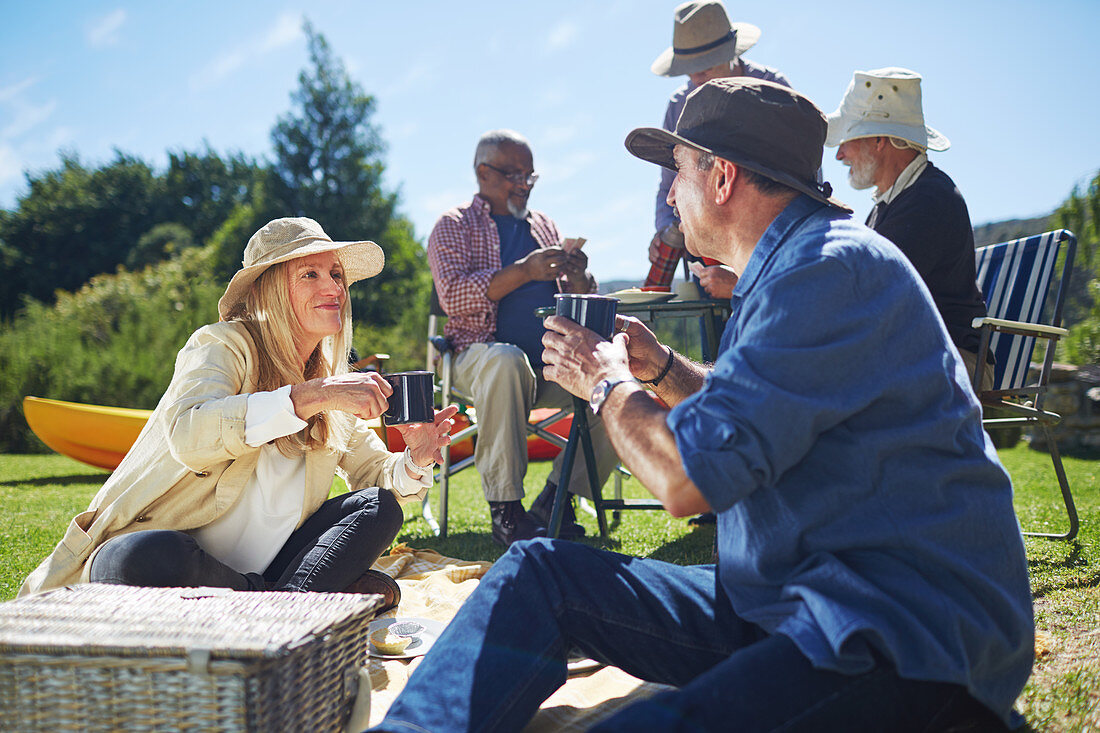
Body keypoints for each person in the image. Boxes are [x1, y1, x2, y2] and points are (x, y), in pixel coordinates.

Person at [372, 80, 1033, 732]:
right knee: (539, 570)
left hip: (902, 635)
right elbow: (747, 407)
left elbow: (688, 478)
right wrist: (658, 368)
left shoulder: (828, 272)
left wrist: (605, 384)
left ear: (722, 178)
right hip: (790, 598)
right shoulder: (791, 269)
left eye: (678, 168)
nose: (667, 193)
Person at [20, 217, 457, 611]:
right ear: (268, 289)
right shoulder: (222, 346)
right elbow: (190, 432)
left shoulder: (329, 385)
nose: (334, 288)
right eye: (311, 274)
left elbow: (376, 478)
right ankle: (296, 605)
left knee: (378, 507)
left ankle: (272, 607)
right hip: (165, 557)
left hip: (260, 571)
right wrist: (310, 395)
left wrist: (415, 458)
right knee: (149, 557)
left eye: (337, 275)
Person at [427, 129, 617, 546]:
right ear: (483, 172)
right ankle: (506, 510)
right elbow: (454, 297)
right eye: (514, 174)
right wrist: (525, 272)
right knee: (507, 360)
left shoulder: (544, 225)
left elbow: (578, 299)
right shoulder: (454, 225)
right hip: (476, 358)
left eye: (530, 176)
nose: (523, 185)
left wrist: (580, 277)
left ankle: (558, 500)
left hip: (550, 364)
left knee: (616, 382)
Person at [827, 67, 993, 392]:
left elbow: (870, 291)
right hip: (920, 351)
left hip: (954, 360)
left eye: (847, 141)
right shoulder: (892, 202)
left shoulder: (929, 198)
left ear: (879, 140)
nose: (839, 154)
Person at [645, 0, 790, 302]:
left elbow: (801, 172)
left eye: (706, 65)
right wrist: (665, 230)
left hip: (771, 243)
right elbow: (668, 185)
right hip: (707, 251)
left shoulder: (772, 88)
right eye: (689, 70)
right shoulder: (678, 105)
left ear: (730, 54)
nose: (696, 78)